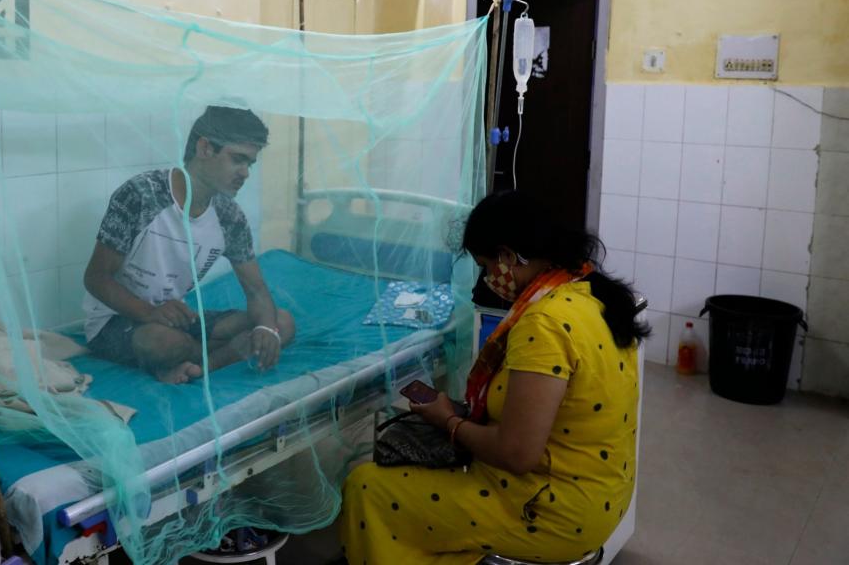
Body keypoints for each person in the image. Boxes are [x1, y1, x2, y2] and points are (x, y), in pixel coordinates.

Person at [339, 191, 648, 564]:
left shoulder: (545, 324)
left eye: (485, 266)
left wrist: (448, 421)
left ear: (507, 256)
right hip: (601, 492)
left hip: (551, 509)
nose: (488, 278)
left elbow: (516, 454)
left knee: (367, 487)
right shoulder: (591, 292)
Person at [82, 106, 296, 384]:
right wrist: (150, 313)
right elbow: (96, 279)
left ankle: (199, 366)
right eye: (238, 160)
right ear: (205, 148)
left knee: (281, 322)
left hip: (178, 319)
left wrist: (267, 329)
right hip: (117, 321)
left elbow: (255, 290)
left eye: (250, 164)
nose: (245, 173)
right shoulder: (142, 195)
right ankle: (218, 355)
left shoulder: (229, 216)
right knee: (161, 342)